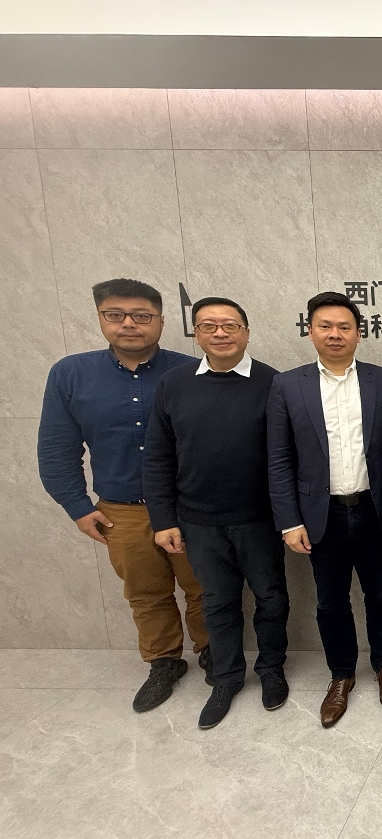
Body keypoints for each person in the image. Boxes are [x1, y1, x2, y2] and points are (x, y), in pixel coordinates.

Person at [38, 278, 210, 712]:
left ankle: (214, 652)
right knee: (145, 592)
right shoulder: (71, 374)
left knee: (205, 586)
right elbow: (57, 448)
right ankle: (164, 662)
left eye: (142, 316)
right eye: (116, 315)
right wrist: (78, 506)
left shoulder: (192, 371)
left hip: (189, 505)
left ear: (161, 322)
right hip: (122, 510)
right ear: (101, 319)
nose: (129, 324)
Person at [144, 297, 289, 730]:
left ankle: (271, 669)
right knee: (217, 602)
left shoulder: (273, 382)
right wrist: (163, 520)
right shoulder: (173, 384)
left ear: (246, 332)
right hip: (198, 521)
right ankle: (226, 678)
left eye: (230, 325)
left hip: (259, 518)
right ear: (196, 334)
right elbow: (158, 456)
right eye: (209, 326)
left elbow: (288, 456)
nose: (220, 333)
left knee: (271, 597)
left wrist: (290, 517)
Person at [267, 292, 382, 727]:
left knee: (381, 593)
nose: (335, 334)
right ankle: (341, 674)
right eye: (325, 326)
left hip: (373, 509)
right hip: (319, 514)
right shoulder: (288, 385)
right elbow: (279, 459)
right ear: (310, 331)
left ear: (358, 333)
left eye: (344, 327)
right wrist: (289, 521)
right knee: (330, 601)